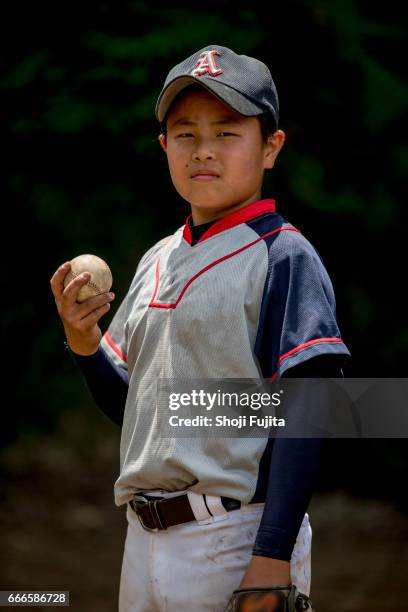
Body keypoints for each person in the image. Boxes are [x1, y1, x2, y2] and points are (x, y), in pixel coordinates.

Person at [50, 45, 351, 611]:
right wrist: (86, 345)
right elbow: (136, 408)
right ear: (165, 147)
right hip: (143, 537)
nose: (203, 150)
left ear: (271, 148)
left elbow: (308, 410)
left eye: (228, 132)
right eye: (185, 134)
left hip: (237, 536)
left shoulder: (284, 256)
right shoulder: (156, 259)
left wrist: (273, 554)